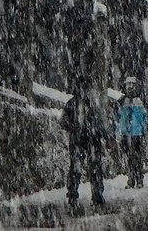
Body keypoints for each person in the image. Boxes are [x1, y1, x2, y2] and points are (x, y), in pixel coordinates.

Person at [61, 74, 111, 207]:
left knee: (86, 168)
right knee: (82, 169)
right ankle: (83, 195)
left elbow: (102, 123)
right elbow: (64, 122)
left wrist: (106, 136)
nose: (86, 90)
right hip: (84, 140)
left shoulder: (87, 104)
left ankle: (93, 195)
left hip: (88, 140)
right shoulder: (76, 104)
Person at [116, 76, 148, 188]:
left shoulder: (141, 100)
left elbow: (146, 117)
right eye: (128, 85)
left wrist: (144, 130)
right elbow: (117, 117)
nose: (129, 88)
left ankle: (138, 179)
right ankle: (131, 179)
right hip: (126, 133)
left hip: (137, 133)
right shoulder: (121, 101)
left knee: (137, 158)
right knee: (129, 158)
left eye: (132, 85)